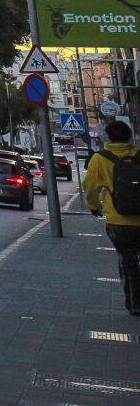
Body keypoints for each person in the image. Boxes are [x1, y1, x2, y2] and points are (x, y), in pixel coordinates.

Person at [85, 117, 140, 315]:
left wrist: (93, 206)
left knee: (127, 259)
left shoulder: (99, 159)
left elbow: (90, 187)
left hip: (118, 220)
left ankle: (134, 303)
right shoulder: (138, 155)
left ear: (108, 137)